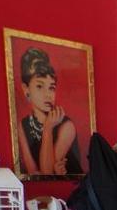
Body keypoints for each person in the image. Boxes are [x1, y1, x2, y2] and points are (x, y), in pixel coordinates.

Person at [16, 47, 83, 176]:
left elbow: (47, 173)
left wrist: (47, 128)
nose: (48, 95)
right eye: (39, 86)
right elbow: (33, 173)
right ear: (26, 89)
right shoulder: (23, 125)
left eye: (51, 88)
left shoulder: (66, 126)